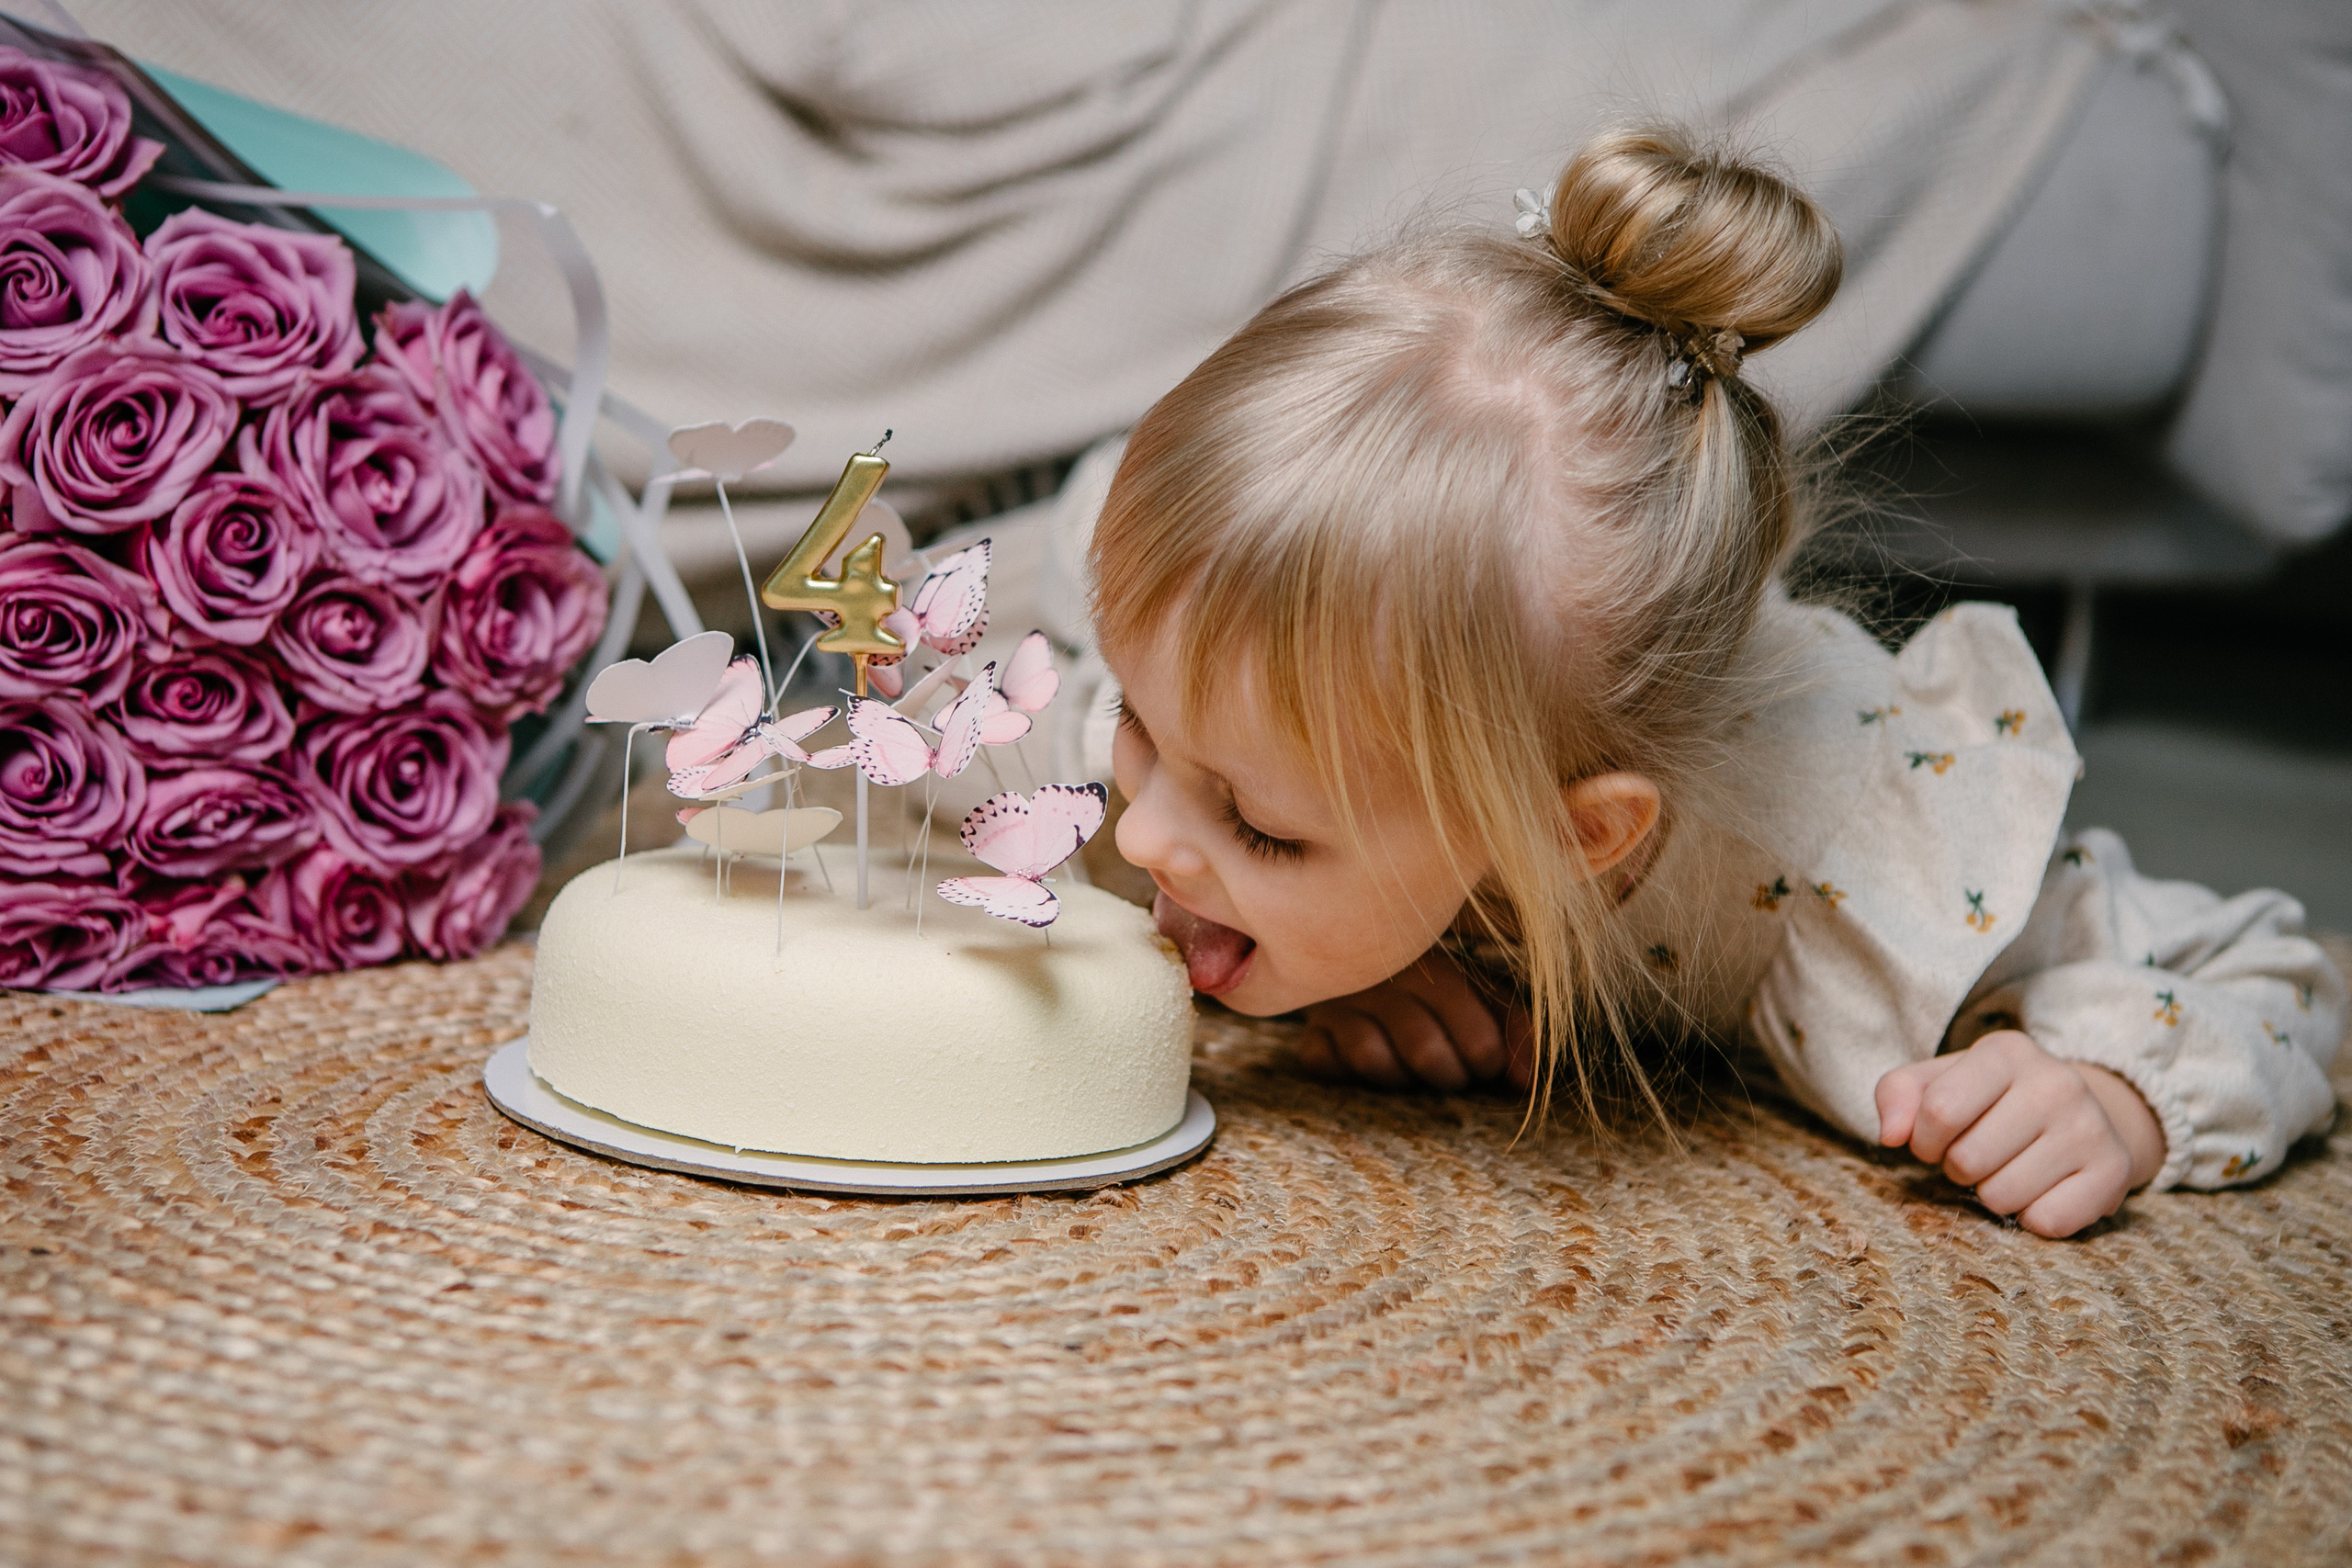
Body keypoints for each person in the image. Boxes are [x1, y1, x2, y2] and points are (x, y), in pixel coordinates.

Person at [1086, 125, 2345, 1238]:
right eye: (1145, 727)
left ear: (1573, 835)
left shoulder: (1871, 842)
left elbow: (2275, 980)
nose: (1146, 830)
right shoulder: (1238, 709)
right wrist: (1382, 950)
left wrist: (2115, 1097)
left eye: (1263, 827)